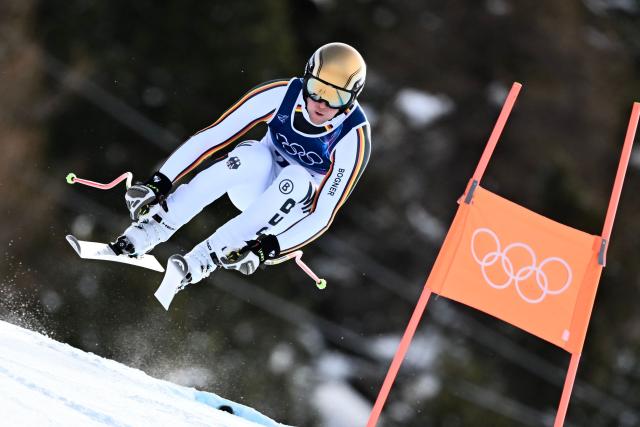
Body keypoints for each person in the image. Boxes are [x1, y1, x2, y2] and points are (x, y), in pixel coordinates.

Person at [110, 42, 372, 286]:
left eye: (336, 97)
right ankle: (150, 229)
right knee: (251, 155)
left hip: (289, 211)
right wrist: (160, 181)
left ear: (352, 99)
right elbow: (215, 135)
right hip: (254, 185)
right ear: (306, 79)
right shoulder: (282, 94)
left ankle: (204, 258)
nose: (322, 103)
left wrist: (270, 248)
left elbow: (323, 214)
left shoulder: (352, 137)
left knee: (297, 176)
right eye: (317, 89)